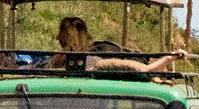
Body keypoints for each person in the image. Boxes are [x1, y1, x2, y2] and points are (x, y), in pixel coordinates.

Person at [51, 16, 189, 72]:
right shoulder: (94, 63)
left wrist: (169, 58)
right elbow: (143, 69)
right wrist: (169, 58)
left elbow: (142, 69)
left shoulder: (50, 65)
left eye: (62, 36)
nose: (57, 38)